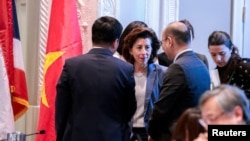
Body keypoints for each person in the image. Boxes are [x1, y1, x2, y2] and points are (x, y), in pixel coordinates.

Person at [55, 16, 137, 141]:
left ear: (93, 37)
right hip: (113, 136)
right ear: (115, 42)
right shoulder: (126, 69)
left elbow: (61, 108)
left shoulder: (71, 65)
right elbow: (130, 108)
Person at [148, 21, 211, 141]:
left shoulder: (177, 68)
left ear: (169, 41)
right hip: (195, 132)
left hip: (176, 134)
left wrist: (152, 133)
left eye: (163, 42)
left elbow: (162, 108)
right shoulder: (201, 63)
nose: (163, 47)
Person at [122, 27, 167, 141]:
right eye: (139, 47)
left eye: (147, 47)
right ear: (131, 50)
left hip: (151, 133)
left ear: (152, 50)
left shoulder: (162, 73)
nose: (144, 52)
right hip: (127, 131)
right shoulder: (123, 73)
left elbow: (165, 107)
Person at [208, 30, 250, 98]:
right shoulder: (216, 72)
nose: (218, 59)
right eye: (213, 54)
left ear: (231, 49)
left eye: (222, 54)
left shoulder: (243, 66)